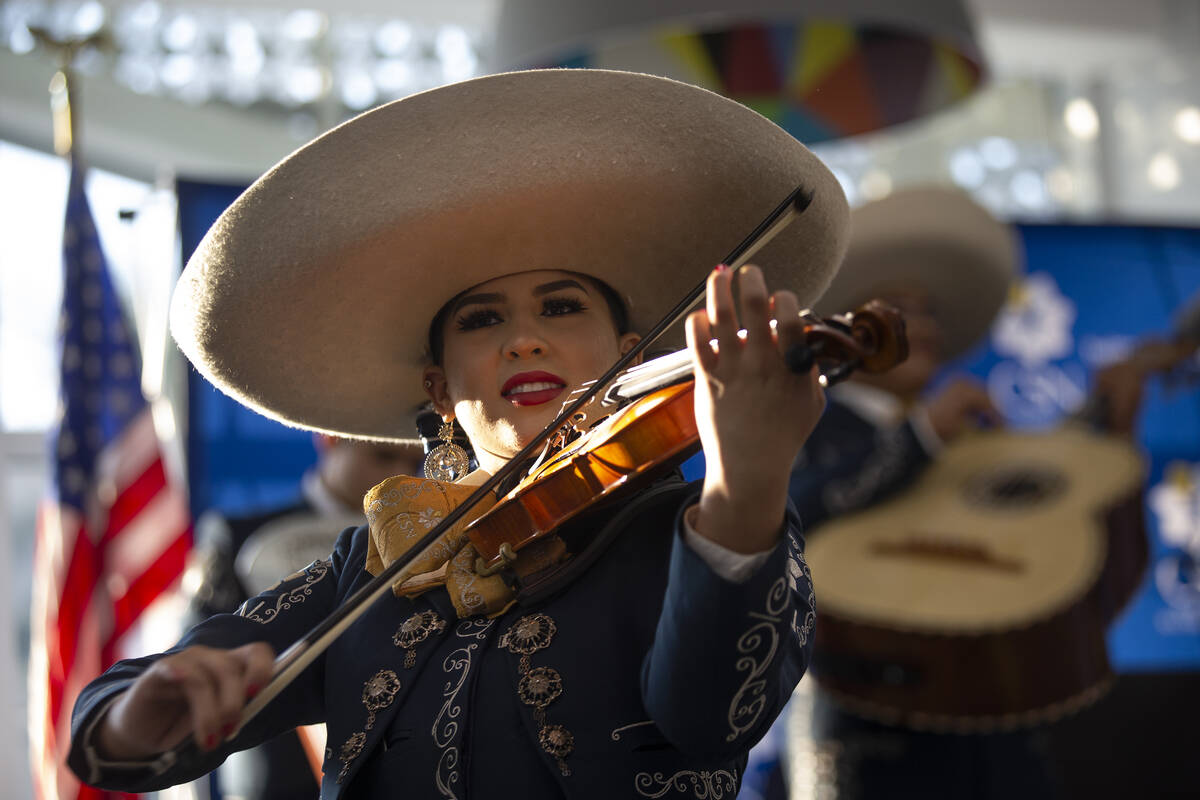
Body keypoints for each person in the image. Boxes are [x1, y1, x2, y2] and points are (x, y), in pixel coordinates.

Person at [65, 68, 850, 798]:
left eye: (562, 306)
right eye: (483, 321)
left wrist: (746, 484)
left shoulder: (687, 532)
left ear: (628, 352)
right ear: (441, 391)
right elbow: (114, 714)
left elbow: (712, 717)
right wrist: (153, 703)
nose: (524, 340)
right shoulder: (377, 557)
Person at [185, 433, 425, 800]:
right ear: (329, 440)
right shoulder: (237, 536)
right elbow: (197, 666)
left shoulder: (427, 547)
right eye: (384, 456)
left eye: (414, 465)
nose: (401, 477)